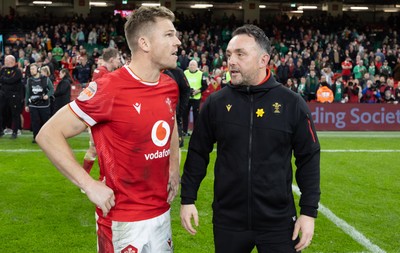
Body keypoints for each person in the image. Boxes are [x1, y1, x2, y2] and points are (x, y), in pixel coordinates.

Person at [36, 6, 181, 253]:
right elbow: (48, 134)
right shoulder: (108, 88)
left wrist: (174, 167)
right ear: (144, 43)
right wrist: (88, 184)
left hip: (161, 213)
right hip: (121, 220)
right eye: (169, 35)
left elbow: (171, 121)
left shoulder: (169, 85)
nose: (177, 42)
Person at [180, 24, 321, 253]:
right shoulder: (216, 104)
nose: (231, 61)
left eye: (240, 54)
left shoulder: (291, 103)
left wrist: (308, 212)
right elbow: (198, 152)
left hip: (278, 222)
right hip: (228, 222)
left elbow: (309, 157)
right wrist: (187, 199)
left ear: (263, 60)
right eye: (228, 55)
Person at [82, 47, 122, 176]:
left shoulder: (101, 72)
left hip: (98, 116)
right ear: (111, 59)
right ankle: (97, 179)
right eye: (117, 59)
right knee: (100, 148)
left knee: (97, 148)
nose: (119, 61)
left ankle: (96, 179)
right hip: (99, 117)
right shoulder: (103, 73)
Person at [25, 63, 54, 143]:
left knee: (45, 121)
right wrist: (26, 104)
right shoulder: (29, 80)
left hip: (44, 105)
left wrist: (47, 96)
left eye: (33, 69)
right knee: (35, 122)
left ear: (38, 69)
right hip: (33, 105)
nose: (31, 71)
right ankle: (36, 137)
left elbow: (52, 89)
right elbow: (27, 92)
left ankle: (47, 137)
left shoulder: (46, 79)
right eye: (31, 69)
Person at [0, 55, 24, 139]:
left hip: (14, 95)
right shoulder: (3, 69)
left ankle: (15, 132)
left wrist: (4, 79)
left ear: (12, 61)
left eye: (6, 61)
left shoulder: (17, 71)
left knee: (15, 114)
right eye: (5, 61)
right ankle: (1, 130)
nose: (5, 62)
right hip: (3, 94)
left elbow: (12, 80)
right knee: (1, 112)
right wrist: (5, 79)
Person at [183, 60, 208, 135]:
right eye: (190, 65)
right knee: (185, 115)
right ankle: (184, 131)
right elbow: (182, 84)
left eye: (193, 65)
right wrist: (188, 91)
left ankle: (196, 131)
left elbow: (205, 86)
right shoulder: (185, 73)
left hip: (196, 97)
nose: (192, 66)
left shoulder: (201, 74)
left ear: (197, 66)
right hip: (187, 97)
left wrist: (198, 91)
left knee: (196, 115)